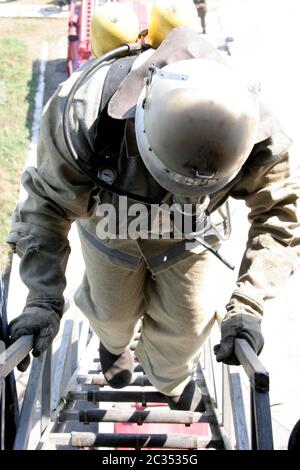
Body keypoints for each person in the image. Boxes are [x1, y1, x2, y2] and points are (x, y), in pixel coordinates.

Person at [7, 1, 300, 413]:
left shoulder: (254, 130)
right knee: (110, 314)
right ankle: (114, 348)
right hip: (111, 230)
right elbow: (47, 206)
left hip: (192, 235)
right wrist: (41, 300)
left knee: (189, 327)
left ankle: (168, 377)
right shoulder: (82, 111)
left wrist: (247, 307)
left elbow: (281, 213)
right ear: (140, 121)